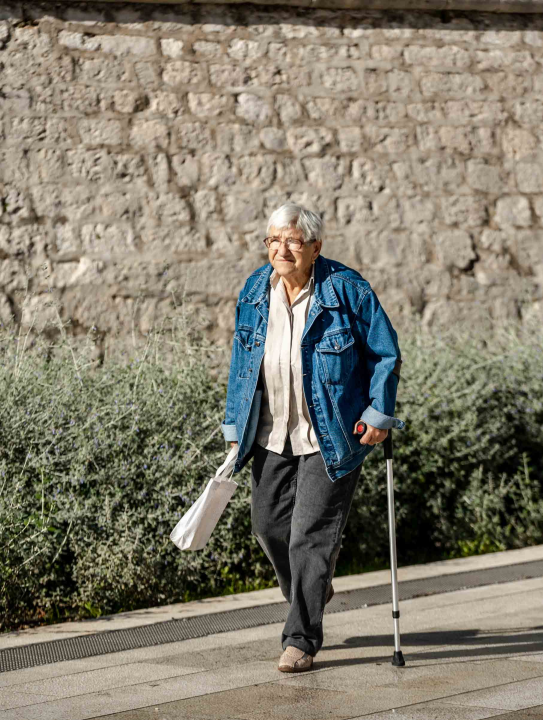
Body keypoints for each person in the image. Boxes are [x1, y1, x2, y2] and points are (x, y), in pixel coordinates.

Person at [221, 202, 404, 673]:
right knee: (268, 526)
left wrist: (379, 412)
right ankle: (314, 585)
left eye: (292, 241)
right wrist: (233, 425)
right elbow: (243, 364)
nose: (280, 250)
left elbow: (385, 351)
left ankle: (301, 636)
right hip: (270, 432)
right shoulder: (256, 290)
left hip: (332, 435)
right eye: (272, 241)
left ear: (315, 247)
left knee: (308, 538)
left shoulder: (346, 289)